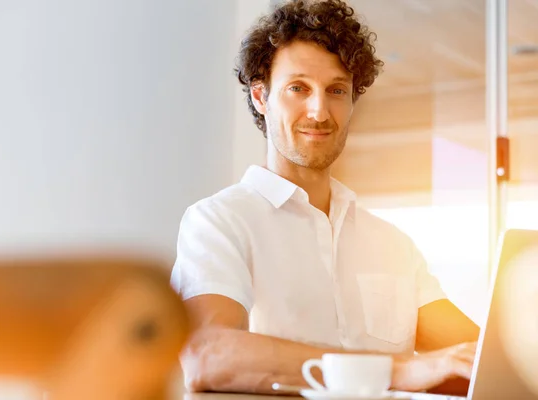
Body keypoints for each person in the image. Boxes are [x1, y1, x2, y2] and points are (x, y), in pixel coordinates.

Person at [171, 0, 479, 394]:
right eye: (298, 88)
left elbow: (480, 360)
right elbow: (209, 355)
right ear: (261, 98)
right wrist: (395, 370)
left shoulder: (393, 245)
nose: (319, 111)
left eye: (336, 90)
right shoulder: (218, 222)